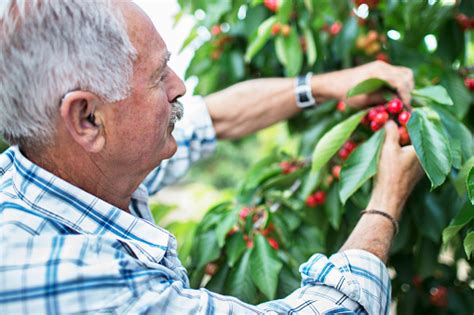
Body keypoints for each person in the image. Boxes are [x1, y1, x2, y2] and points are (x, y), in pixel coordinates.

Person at [0, 1, 422, 314]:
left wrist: (328, 85)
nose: (180, 86)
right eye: (158, 75)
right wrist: (386, 202)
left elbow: (213, 117)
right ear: (88, 118)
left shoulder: (58, 167)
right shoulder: (86, 282)